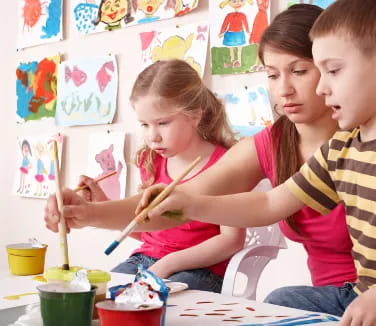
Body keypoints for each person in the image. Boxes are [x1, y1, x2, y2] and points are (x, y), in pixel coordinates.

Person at [136, 1, 376, 325]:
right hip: (366, 298)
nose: (322, 88)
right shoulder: (343, 148)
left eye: (332, 71)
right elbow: (271, 202)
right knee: (279, 302)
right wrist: (192, 204)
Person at [44, 4, 357, 316]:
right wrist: (86, 212)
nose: (283, 89)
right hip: (328, 304)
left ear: (332, 68)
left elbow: (250, 208)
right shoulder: (272, 143)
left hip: (375, 299)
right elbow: (178, 202)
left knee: (279, 300)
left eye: (299, 71)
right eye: (272, 75)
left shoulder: (369, 140)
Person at [64, 59, 245, 293]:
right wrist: (102, 204)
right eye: (144, 125)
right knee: (99, 298)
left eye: (162, 123)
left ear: (194, 116)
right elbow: (147, 231)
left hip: (200, 269)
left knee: (155, 305)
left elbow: (231, 240)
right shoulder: (151, 161)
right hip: (145, 261)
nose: (153, 137)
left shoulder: (225, 164)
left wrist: (168, 263)